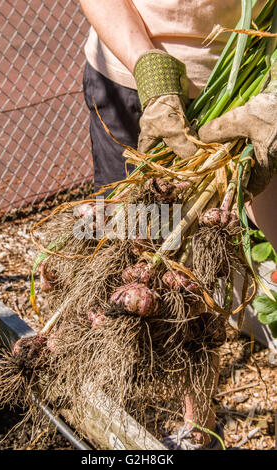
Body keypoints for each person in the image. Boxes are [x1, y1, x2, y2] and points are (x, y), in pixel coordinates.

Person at [79, 0, 277, 449]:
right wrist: (148, 67)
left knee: (195, 278)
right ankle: (123, 409)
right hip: (127, 74)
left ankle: (197, 427)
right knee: (128, 247)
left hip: (247, 90)